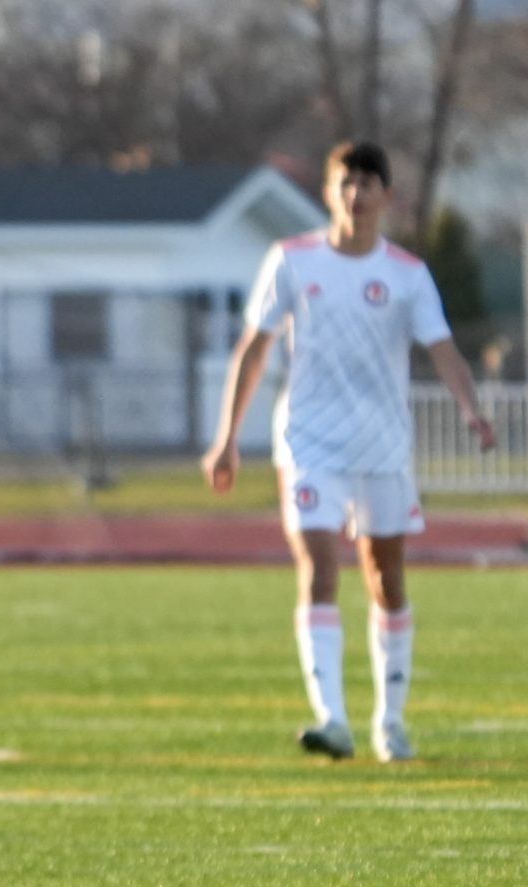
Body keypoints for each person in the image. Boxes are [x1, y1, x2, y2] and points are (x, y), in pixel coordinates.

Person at [201, 140, 494, 763]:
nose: (355, 195)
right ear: (328, 193)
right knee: (319, 564)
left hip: (382, 446)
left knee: (386, 578)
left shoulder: (407, 275)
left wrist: (471, 408)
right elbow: (253, 349)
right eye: (344, 183)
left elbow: (442, 350)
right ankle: (332, 718)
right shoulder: (291, 260)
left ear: (387, 196)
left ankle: (390, 721)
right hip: (308, 441)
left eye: (367, 183)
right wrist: (227, 438)